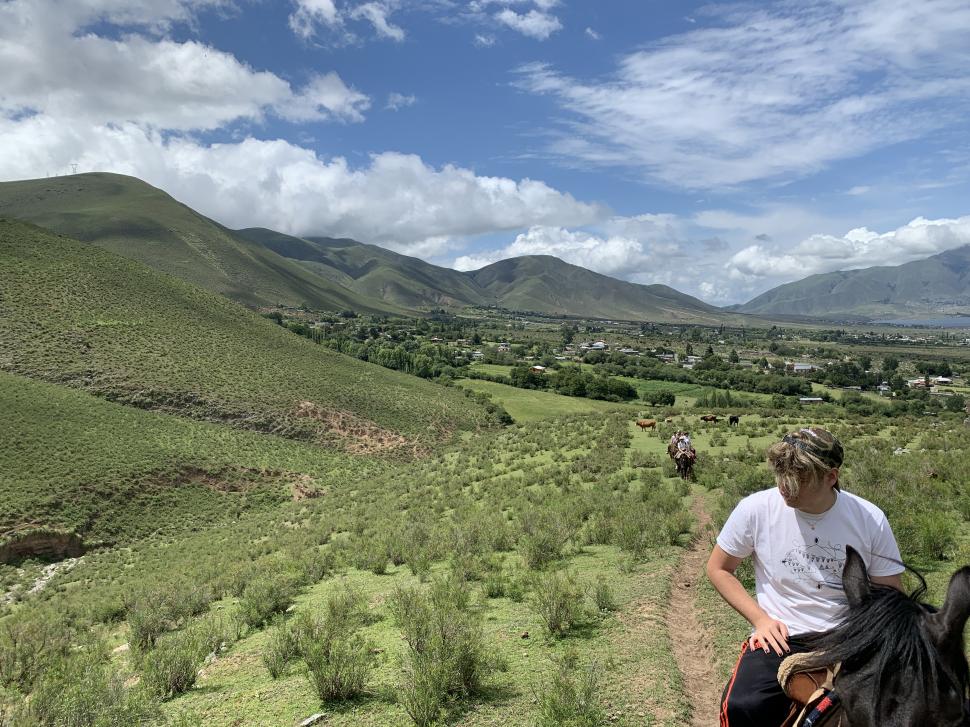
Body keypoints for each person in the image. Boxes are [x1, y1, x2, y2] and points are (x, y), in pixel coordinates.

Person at [707, 427, 903, 726]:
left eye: (799, 477)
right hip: (783, 637)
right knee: (742, 705)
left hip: (852, 637)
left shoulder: (869, 519)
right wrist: (761, 620)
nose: (784, 485)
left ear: (831, 477)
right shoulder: (757, 509)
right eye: (781, 472)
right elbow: (719, 568)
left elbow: (891, 595)